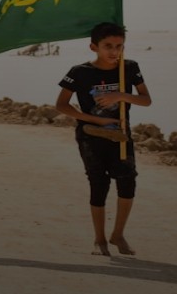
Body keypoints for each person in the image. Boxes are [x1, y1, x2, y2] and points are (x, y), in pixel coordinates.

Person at [55, 22, 153, 257]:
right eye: (108, 46)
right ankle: (99, 240)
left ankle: (118, 235)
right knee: (99, 183)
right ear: (94, 47)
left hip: (121, 135)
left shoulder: (129, 68)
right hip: (91, 136)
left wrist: (120, 95)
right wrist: (96, 119)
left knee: (128, 182)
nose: (114, 51)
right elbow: (61, 105)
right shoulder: (79, 72)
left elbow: (146, 100)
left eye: (119, 46)